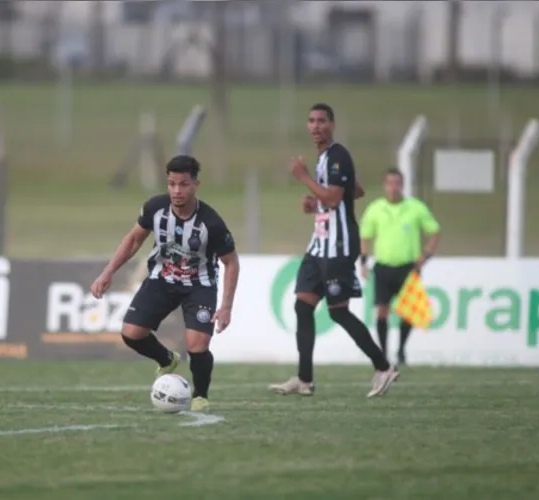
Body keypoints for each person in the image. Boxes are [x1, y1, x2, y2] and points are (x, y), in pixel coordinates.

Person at [90, 154, 240, 413]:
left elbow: (231, 262)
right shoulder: (155, 209)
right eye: (172, 184)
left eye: (183, 184)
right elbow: (134, 239)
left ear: (196, 185)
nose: (177, 191)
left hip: (199, 284)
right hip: (162, 279)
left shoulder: (211, 223)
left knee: (197, 346)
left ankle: (200, 395)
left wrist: (226, 306)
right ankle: (166, 358)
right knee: (131, 333)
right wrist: (108, 272)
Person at [269, 103, 398, 398]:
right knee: (303, 306)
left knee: (338, 312)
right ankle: (304, 379)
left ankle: (383, 367)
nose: (316, 126)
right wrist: (316, 203)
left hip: (338, 245)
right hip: (319, 244)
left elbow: (337, 198)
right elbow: (356, 191)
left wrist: (303, 177)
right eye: (311, 121)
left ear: (332, 124)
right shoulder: (325, 158)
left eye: (322, 121)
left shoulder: (337, 155)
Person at [359, 168, 441, 366]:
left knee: (408, 311)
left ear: (402, 185)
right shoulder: (375, 208)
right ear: (384, 185)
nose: (393, 188)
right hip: (383, 266)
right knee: (382, 310)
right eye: (390, 183)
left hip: (408, 267)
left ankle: (402, 350)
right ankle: (383, 353)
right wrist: (363, 262)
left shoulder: (415, 208)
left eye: (397, 183)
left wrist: (425, 255)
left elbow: (434, 231)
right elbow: (365, 236)